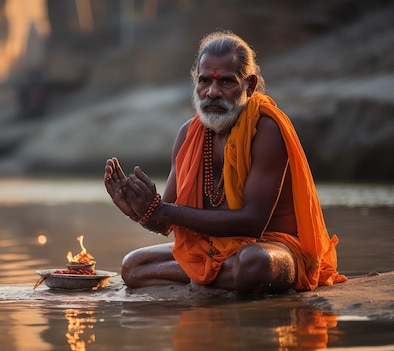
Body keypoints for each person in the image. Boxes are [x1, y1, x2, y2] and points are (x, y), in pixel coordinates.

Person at [104, 30, 347, 294]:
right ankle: (214, 279)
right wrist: (138, 209)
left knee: (255, 264)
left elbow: (252, 222)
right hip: (213, 252)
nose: (212, 92)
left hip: (271, 247)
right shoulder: (188, 134)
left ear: (250, 86)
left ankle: (205, 279)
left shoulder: (266, 130)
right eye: (205, 81)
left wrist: (160, 209)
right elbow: (165, 223)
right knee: (132, 266)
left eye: (227, 82)